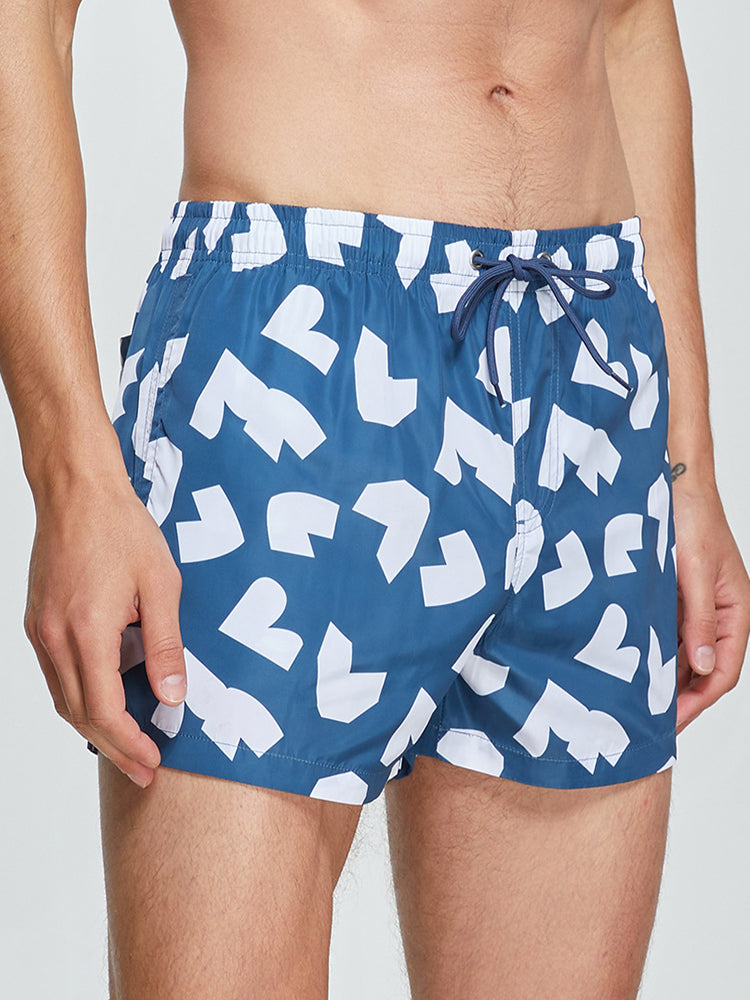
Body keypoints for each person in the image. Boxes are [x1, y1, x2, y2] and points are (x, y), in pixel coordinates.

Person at [1, 0, 748, 997]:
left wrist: (686, 461)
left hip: (591, 365)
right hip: (297, 358)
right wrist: (70, 474)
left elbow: (631, 23)